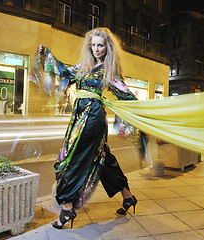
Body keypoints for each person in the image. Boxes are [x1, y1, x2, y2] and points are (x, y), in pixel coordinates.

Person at [37, 27, 140, 229]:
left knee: (70, 158)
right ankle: (128, 197)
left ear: (107, 47)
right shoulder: (84, 67)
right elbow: (65, 72)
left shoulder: (109, 71)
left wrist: (146, 112)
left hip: (93, 118)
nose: (95, 49)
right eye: (92, 45)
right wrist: (47, 56)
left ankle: (67, 208)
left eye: (100, 45)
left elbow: (127, 95)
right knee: (102, 157)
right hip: (80, 116)